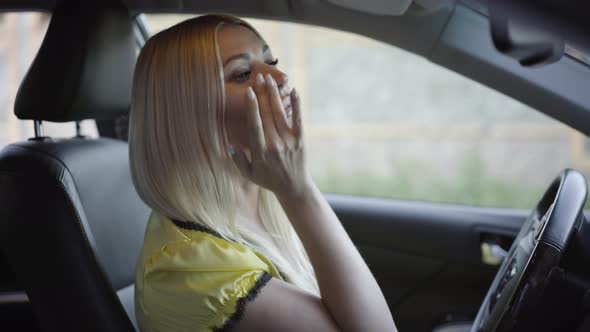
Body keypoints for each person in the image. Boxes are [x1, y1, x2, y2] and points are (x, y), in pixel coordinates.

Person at [129, 13, 397, 332]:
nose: (281, 78)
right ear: (188, 113)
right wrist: (298, 190)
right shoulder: (192, 272)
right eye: (243, 73)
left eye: (271, 60)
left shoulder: (258, 198)